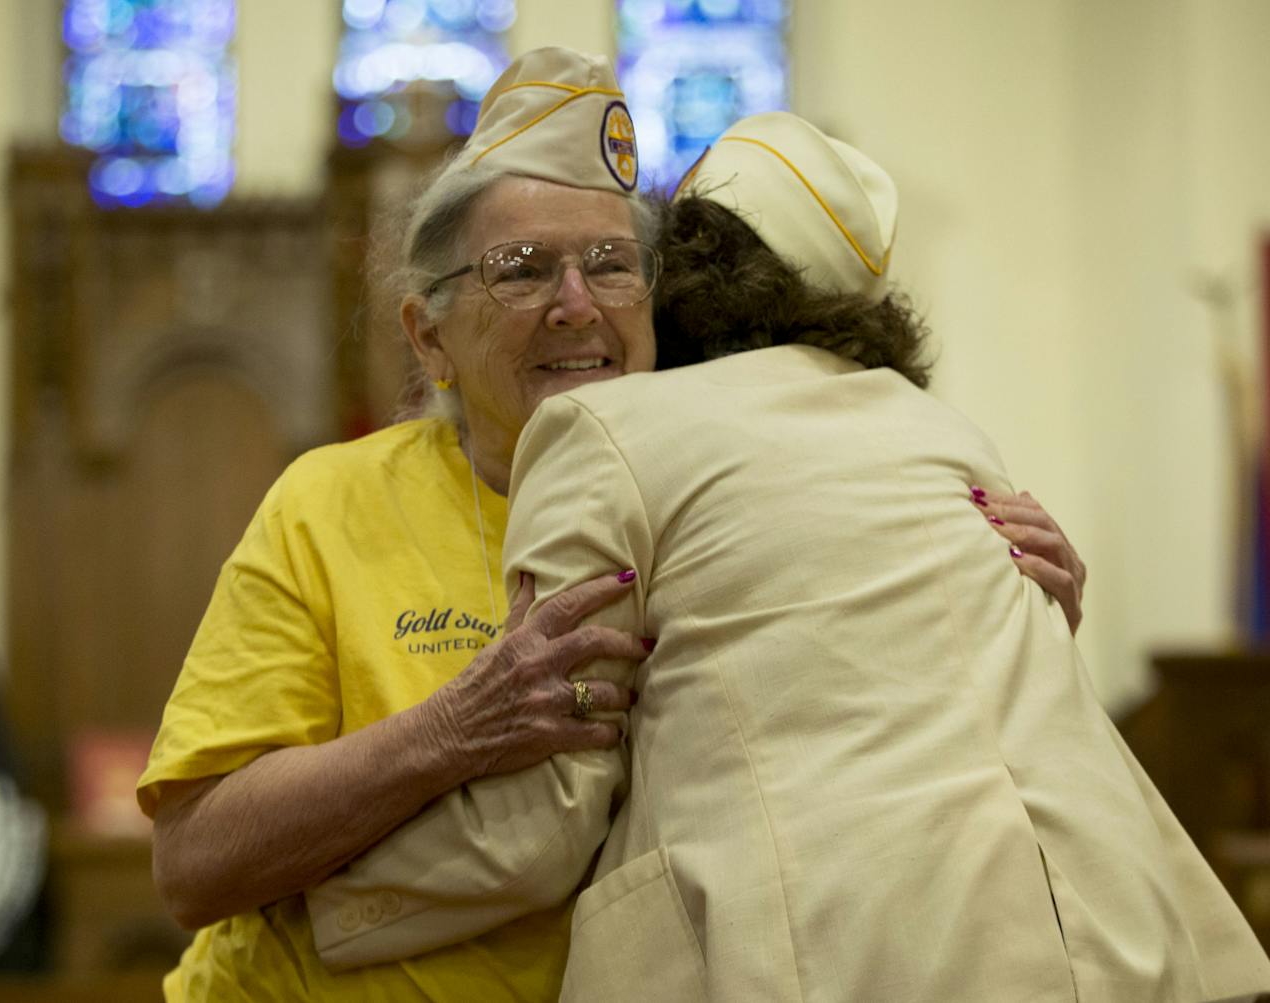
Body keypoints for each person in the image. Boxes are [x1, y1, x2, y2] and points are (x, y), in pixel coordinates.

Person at [139, 46, 1090, 1000]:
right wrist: (451, 730)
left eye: (611, 264)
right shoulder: (328, 503)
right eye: (521, 270)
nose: (576, 306)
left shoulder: (737, 501)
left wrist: (1012, 611)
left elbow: (875, 761)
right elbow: (194, 863)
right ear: (429, 335)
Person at [302, 113, 1270, 1002]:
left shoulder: (606, 430)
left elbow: (545, 814)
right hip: (1117, 938)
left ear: (674, 270)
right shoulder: (942, 431)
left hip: (848, 952)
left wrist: (320, 900)